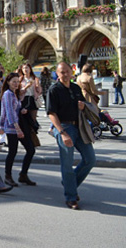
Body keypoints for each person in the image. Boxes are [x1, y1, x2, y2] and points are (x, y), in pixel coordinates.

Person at [48, 62, 96, 210]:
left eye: (67, 71)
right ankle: (71, 197)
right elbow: (51, 113)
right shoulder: (54, 90)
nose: (65, 74)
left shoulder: (75, 88)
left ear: (72, 71)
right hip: (64, 127)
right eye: (62, 72)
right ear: (57, 74)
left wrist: (83, 106)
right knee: (67, 164)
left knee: (90, 159)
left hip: (79, 126)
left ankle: (70, 183)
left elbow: (83, 104)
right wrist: (62, 133)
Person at [1, 72, 36, 187]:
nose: (16, 84)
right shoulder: (7, 94)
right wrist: (17, 129)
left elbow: (16, 109)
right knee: (13, 151)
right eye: (13, 82)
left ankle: (23, 174)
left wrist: (22, 110)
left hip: (19, 126)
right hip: (12, 127)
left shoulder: (14, 94)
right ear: (8, 82)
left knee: (30, 149)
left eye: (17, 82)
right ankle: (8, 176)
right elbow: (9, 113)